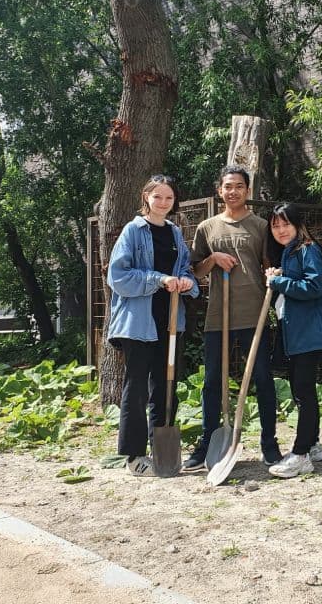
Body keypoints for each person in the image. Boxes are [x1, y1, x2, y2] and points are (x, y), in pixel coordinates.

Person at [183, 166, 281, 471]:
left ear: (248, 191)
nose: (233, 191)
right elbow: (195, 271)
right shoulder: (207, 228)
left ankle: (269, 443)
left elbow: (270, 264)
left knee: (263, 379)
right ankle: (207, 444)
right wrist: (212, 259)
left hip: (254, 313)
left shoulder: (261, 226)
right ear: (219, 190)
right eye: (228, 186)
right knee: (212, 382)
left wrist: (272, 274)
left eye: (239, 186)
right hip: (218, 316)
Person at [107, 175, 199, 476]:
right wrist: (158, 279)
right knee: (136, 388)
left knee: (165, 385)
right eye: (157, 196)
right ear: (146, 197)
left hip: (169, 321)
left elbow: (185, 268)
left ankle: (162, 451)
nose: (163, 203)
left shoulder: (174, 233)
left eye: (169, 198)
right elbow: (118, 276)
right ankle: (134, 457)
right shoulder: (132, 231)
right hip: (137, 323)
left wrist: (187, 282)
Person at [264, 203, 322, 478]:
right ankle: (314, 444)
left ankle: (300, 454)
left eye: (286, 224)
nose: (281, 230)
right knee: (301, 389)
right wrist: (282, 276)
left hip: (309, 333)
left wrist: (279, 283)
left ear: (297, 225)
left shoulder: (307, 248)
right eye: (275, 225)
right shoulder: (290, 252)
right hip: (296, 333)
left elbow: (314, 286)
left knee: (303, 392)